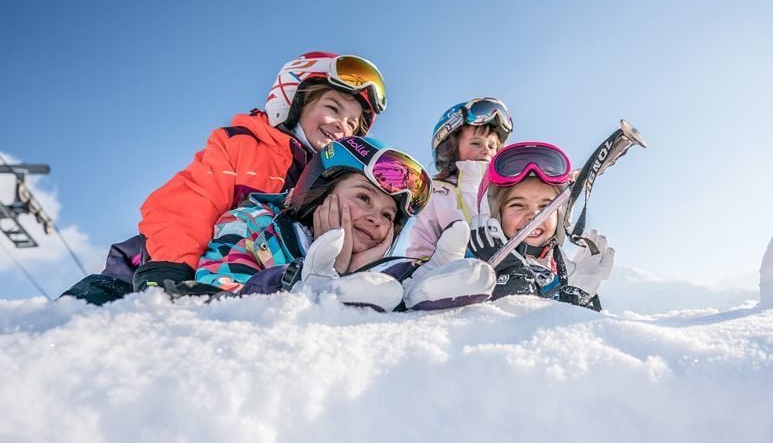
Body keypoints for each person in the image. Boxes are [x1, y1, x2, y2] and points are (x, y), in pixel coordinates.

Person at [62, 51, 387, 304]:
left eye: (353, 123)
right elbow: (189, 202)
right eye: (332, 107)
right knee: (80, 325)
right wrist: (172, 270)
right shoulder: (246, 146)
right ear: (293, 101)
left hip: (238, 286)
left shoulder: (327, 184)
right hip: (154, 273)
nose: (342, 124)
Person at [192, 135, 497, 312]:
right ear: (320, 190)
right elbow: (213, 299)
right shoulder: (254, 226)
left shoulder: (379, 268)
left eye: (388, 216)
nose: (376, 218)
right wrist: (296, 283)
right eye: (363, 198)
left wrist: (411, 285)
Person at [466, 142, 614, 310]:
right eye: (518, 205)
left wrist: (578, 296)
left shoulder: (559, 278)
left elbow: (574, 335)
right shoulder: (468, 268)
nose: (534, 216)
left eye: (545, 207)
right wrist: (508, 278)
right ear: (494, 215)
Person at [405, 98, 512, 260]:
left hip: (507, 269)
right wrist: (419, 269)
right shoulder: (438, 193)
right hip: (455, 272)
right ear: (453, 148)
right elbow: (423, 240)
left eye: (492, 146)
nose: (486, 151)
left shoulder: (505, 189)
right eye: (476, 143)